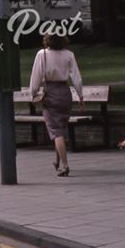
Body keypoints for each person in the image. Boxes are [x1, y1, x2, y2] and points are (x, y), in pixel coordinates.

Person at [29, 33, 84, 177]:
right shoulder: (69, 55)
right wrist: (80, 95)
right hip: (65, 93)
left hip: (51, 93)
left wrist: (33, 93)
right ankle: (57, 161)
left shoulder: (42, 54)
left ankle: (65, 165)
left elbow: (36, 76)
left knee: (55, 130)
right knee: (61, 128)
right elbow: (77, 78)